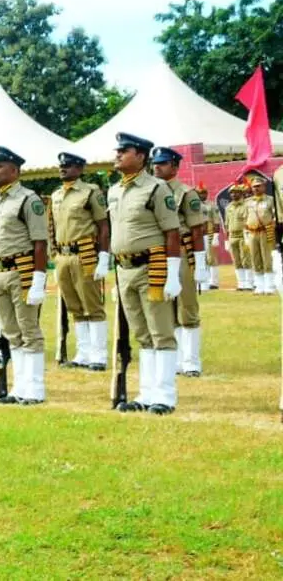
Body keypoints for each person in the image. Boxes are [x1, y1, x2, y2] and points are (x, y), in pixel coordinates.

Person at [108, 133, 184, 415]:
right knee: (141, 334)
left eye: (123, 151)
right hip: (124, 268)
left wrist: (173, 274)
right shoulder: (114, 190)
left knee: (160, 331)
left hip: (152, 267)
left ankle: (165, 395)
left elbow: (172, 232)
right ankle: (147, 392)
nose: (117, 155)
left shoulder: (156, 189)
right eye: (117, 151)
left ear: (140, 156)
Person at [0, 146, 50, 405]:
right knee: (12, 331)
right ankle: (20, 385)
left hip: (20, 270)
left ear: (14, 169)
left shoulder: (28, 199)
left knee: (28, 329)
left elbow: (40, 242)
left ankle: (34, 388)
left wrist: (38, 279)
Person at [49, 152, 110, 371]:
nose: (63, 169)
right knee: (74, 306)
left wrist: (103, 256)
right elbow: (52, 227)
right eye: (61, 166)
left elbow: (103, 226)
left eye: (69, 165)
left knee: (92, 305)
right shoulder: (56, 195)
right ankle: (83, 352)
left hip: (84, 253)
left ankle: (99, 355)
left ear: (80, 169)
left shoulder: (90, 192)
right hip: (62, 256)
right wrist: (53, 253)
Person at [151, 147, 208, 378]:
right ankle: (174, 358)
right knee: (165, 307)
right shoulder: (151, 192)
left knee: (187, 306)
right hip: (158, 254)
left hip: (182, 251)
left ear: (175, 167)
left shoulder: (186, 193)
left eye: (162, 163)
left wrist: (201, 263)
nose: (157, 167)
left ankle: (191, 360)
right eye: (155, 163)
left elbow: (196, 230)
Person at [245, 175, 276, 295]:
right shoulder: (248, 202)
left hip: (266, 232)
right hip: (252, 233)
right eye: (254, 187)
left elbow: (275, 216)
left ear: (264, 186)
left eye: (258, 186)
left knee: (267, 258)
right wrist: (246, 234)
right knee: (255, 258)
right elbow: (245, 219)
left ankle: (270, 285)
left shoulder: (270, 200)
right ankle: (259, 285)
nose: (256, 189)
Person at [223, 184, 251, 291]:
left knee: (246, 259)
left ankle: (249, 283)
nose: (234, 194)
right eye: (232, 193)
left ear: (241, 193)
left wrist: (248, 236)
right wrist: (226, 240)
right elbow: (226, 224)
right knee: (236, 260)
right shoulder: (229, 207)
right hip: (232, 237)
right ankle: (241, 283)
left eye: (236, 192)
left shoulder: (246, 205)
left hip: (243, 235)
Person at [197, 185, 220, 290]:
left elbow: (216, 221)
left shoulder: (211, 205)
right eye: (200, 193)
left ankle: (214, 281)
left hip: (209, 233)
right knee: (201, 258)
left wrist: (216, 235)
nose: (202, 195)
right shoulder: (194, 205)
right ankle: (203, 281)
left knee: (210, 258)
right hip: (198, 234)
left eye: (204, 193)